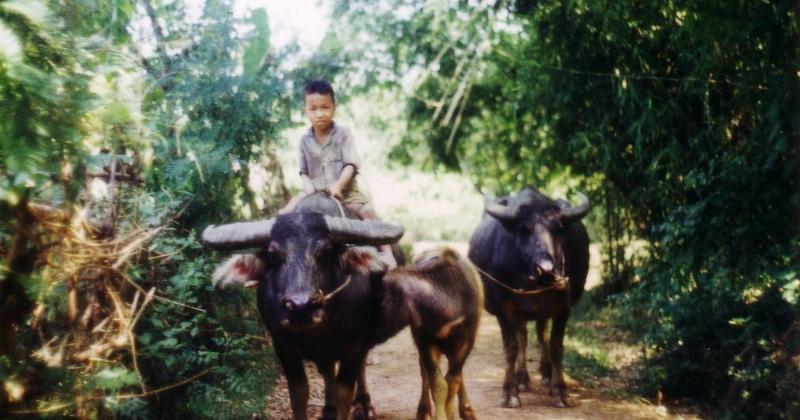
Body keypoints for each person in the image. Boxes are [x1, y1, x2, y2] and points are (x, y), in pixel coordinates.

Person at [280, 79, 397, 268]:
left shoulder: (344, 134)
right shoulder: (304, 140)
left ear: (334, 108)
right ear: (306, 111)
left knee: (367, 212)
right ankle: (270, 263)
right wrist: (309, 190)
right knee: (284, 213)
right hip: (314, 192)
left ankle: (388, 255)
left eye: (325, 107)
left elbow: (350, 164)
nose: (320, 113)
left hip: (345, 193)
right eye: (313, 109)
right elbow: (303, 172)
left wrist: (338, 186)